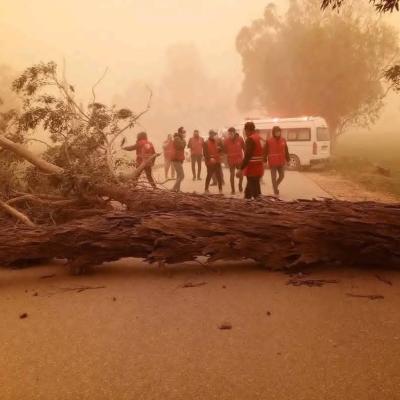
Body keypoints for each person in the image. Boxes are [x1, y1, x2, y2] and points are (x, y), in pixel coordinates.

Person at [238, 121, 264, 199]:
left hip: (252, 169)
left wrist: (241, 169)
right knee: (252, 190)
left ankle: (258, 207)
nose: (245, 133)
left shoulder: (250, 139)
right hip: (259, 168)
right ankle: (249, 204)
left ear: (247, 130)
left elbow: (247, 156)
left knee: (254, 192)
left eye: (245, 131)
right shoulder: (259, 138)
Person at [265, 125, 290, 196]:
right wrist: (264, 161)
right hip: (272, 162)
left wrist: (288, 160)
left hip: (281, 162)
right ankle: (276, 191)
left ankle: (275, 186)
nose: (278, 133)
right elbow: (265, 152)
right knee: (273, 177)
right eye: (276, 132)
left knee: (282, 176)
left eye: (279, 131)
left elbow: (286, 151)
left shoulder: (283, 140)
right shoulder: (269, 141)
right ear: (273, 132)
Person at [224, 127, 245, 194]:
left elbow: (244, 148)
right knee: (232, 175)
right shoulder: (226, 141)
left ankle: (240, 185)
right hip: (231, 160)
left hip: (239, 160)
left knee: (241, 174)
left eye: (231, 133)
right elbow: (225, 151)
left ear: (234, 132)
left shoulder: (240, 139)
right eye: (229, 133)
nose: (230, 135)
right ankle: (233, 190)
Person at [171, 127, 186, 192]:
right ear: (180, 132)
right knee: (182, 175)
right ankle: (173, 189)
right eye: (183, 132)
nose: (184, 134)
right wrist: (184, 141)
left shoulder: (180, 138)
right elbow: (181, 146)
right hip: (176, 159)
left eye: (185, 132)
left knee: (178, 175)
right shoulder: (177, 138)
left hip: (178, 159)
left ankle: (178, 190)